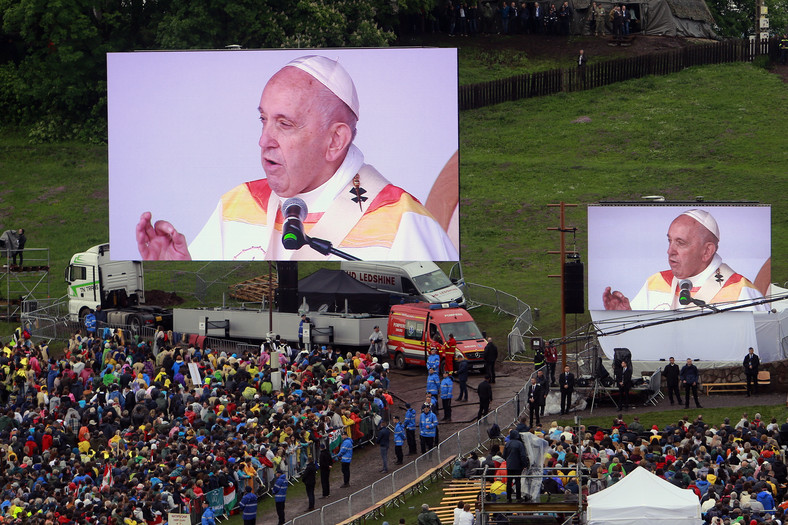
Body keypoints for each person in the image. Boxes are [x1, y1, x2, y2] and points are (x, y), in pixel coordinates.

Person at [136, 55, 458, 262]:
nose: (263, 141)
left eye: (284, 124)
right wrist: (177, 274)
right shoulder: (236, 206)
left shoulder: (404, 223)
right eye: (263, 120)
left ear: (335, 140)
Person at [603, 209, 767, 311]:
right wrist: (626, 316)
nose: (669, 251)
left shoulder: (741, 292)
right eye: (670, 241)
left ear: (707, 251)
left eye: (680, 243)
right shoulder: (656, 283)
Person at [503, 429, 528, 502]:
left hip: (509, 465)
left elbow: (504, 455)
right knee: (518, 481)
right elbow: (523, 455)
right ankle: (518, 497)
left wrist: (508, 460)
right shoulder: (520, 444)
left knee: (509, 481)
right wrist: (525, 464)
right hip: (518, 465)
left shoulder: (507, 443)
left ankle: (508, 497)